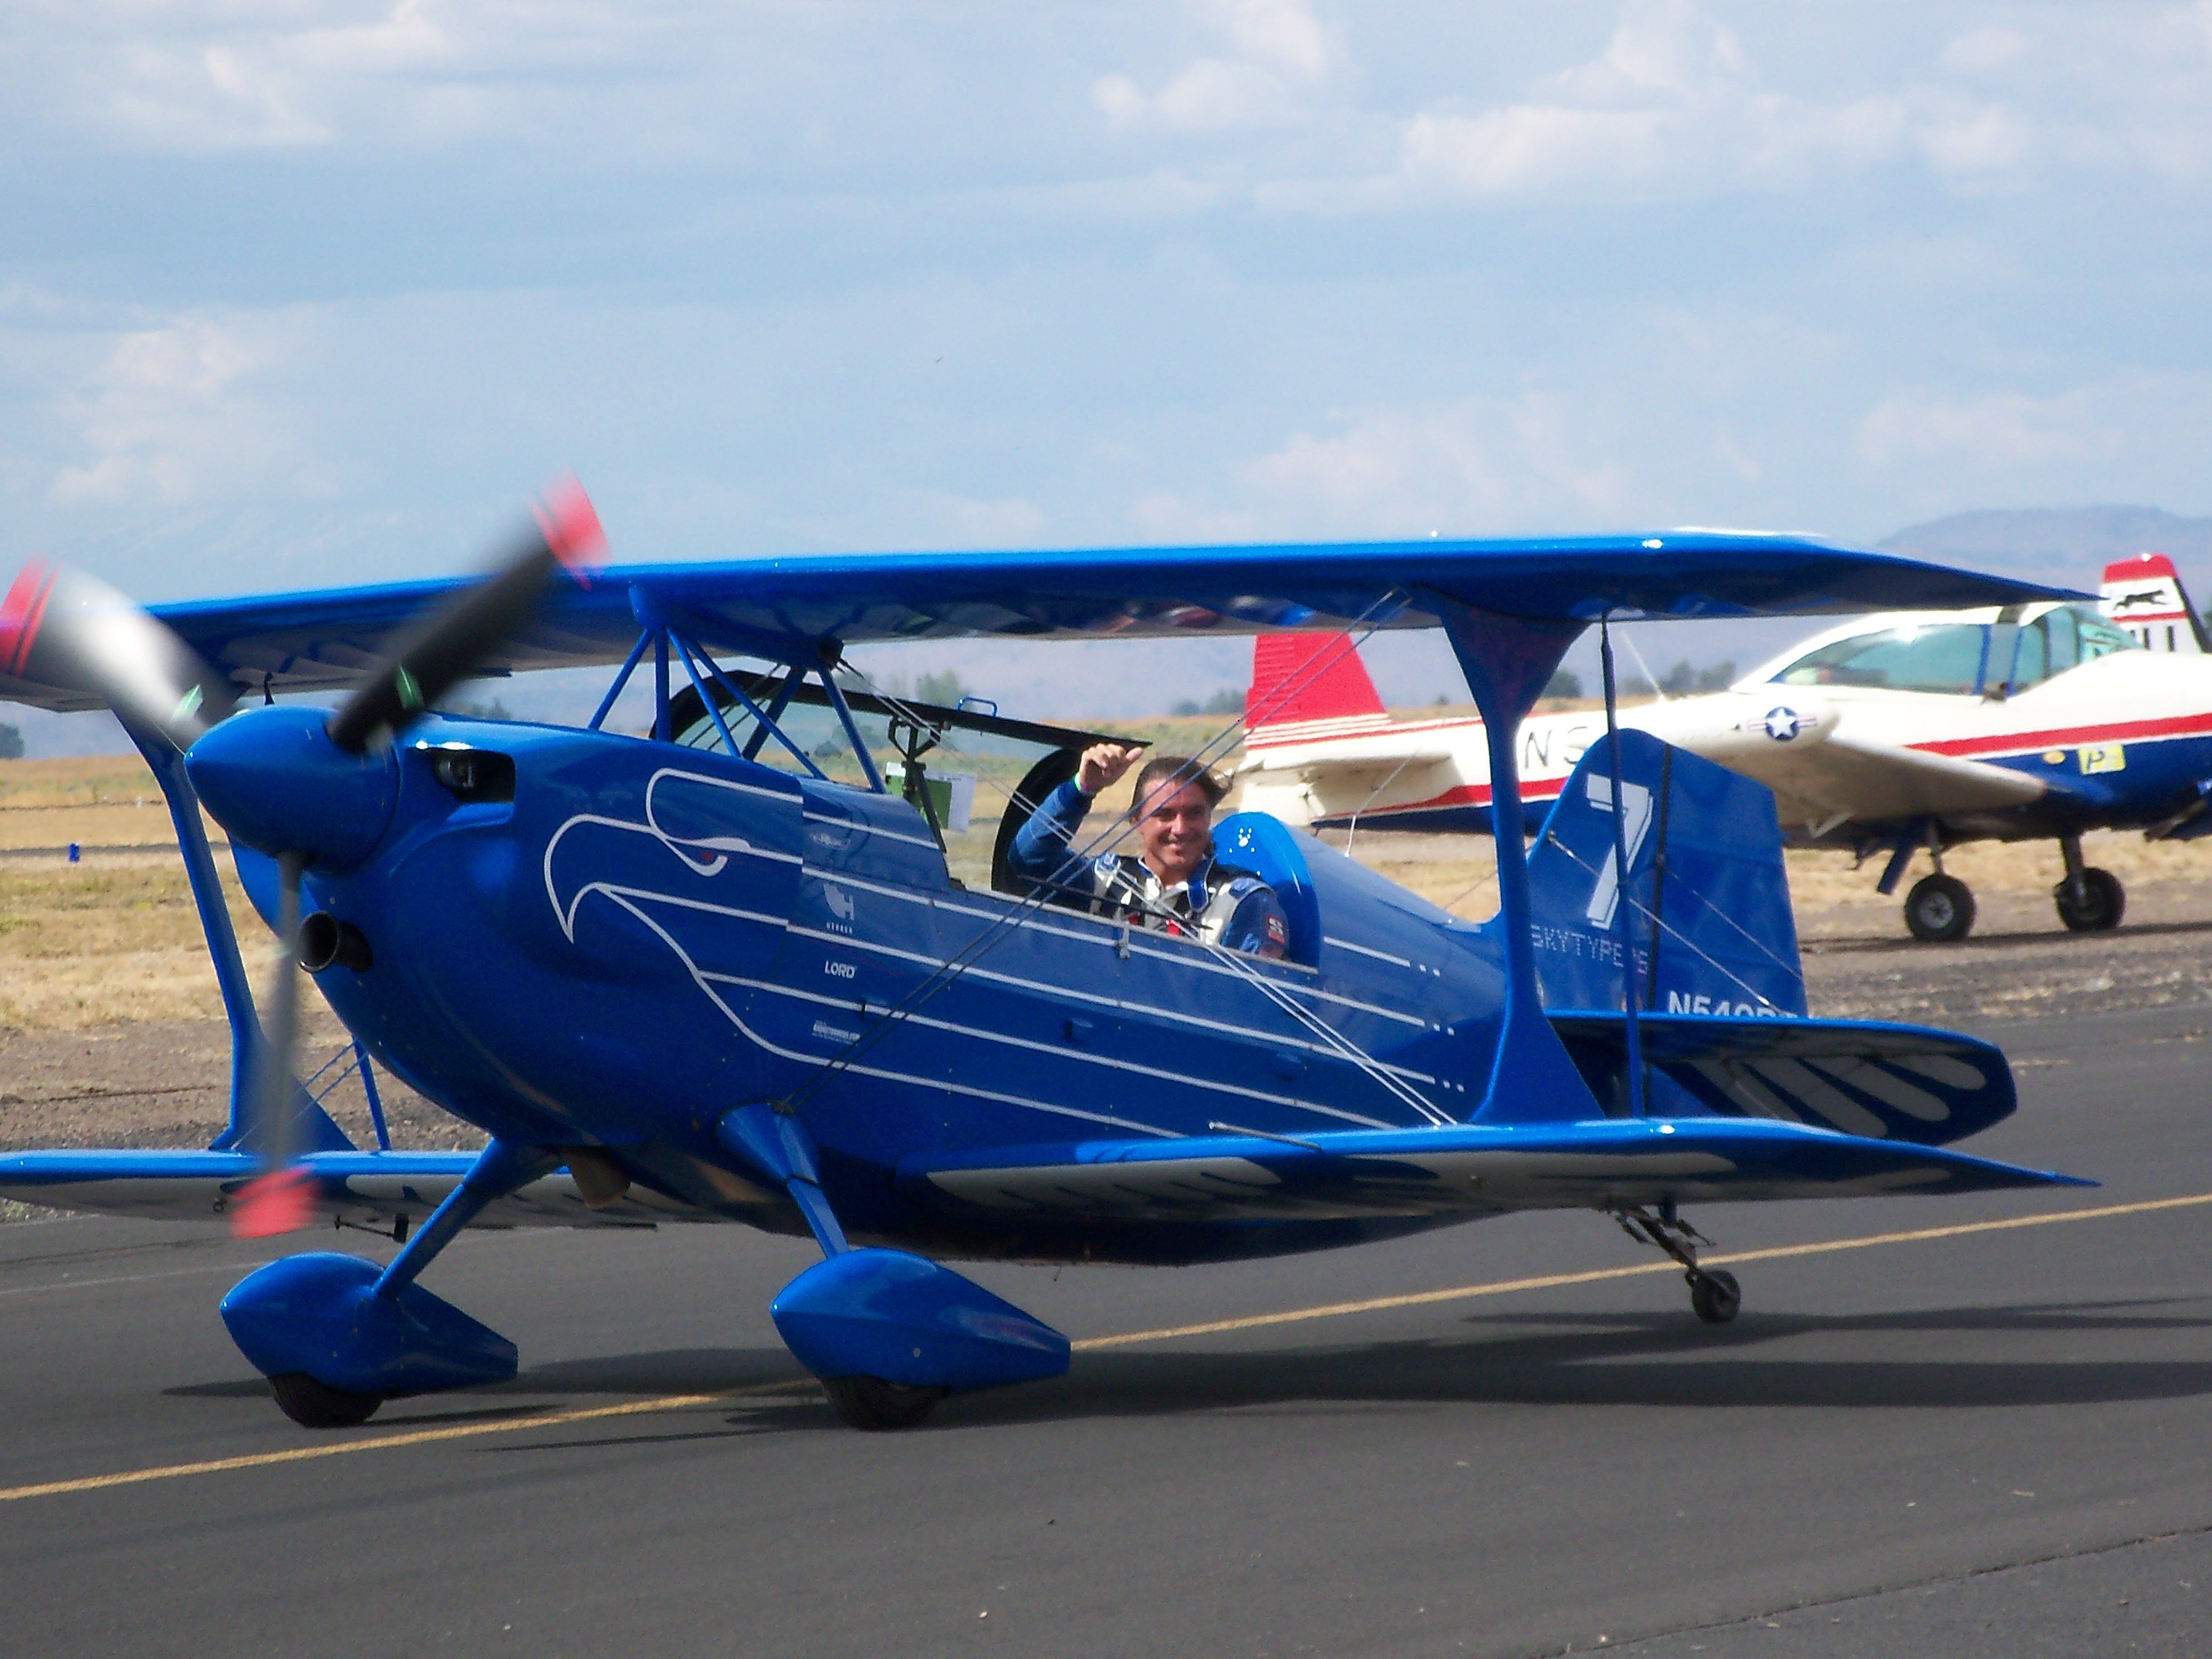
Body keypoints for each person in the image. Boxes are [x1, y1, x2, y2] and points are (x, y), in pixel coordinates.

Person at [1006, 743, 1290, 958]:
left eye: (1194, 813)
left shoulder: (1244, 900)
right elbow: (1028, 860)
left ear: (1209, 818)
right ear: (1137, 821)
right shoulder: (1105, 880)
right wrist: (1082, 789)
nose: (1180, 828)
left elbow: (1253, 1004)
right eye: (1164, 815)